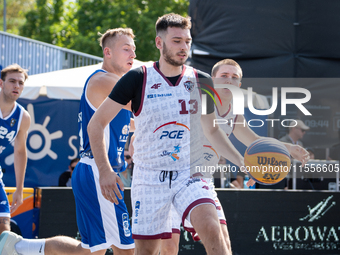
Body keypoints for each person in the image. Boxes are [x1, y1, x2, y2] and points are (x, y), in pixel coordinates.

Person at [87, 13, 250, 255]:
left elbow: (212, 130)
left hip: (190, 172)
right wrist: (105, 171)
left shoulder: (201, 81)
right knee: (148, 251)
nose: (184, 47)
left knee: (211, 227)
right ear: (159, 43)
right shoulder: (137, 78)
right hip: (149, 176)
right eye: (177, 41)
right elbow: (96, 124)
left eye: (187, 41)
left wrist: (241, 161)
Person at [0, 28, 136, 255]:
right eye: (126, 49)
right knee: (126, 249)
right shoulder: (106, 80)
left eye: (134, 49)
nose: (132, 54)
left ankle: (22, 246)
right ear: (108, 52)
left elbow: (131, 122)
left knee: (90, 251)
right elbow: (145, 105)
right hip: (96, 170)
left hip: (92, 170)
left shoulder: (113, 91)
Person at [160, 58, 310, 254]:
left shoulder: (235, 112)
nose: (228, 80)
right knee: (169, 247)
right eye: (224, 76)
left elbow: (254, 139)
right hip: (173, 175)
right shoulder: (199, 98)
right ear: (212, 79)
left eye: (234, 77)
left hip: (201, 180)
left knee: (224, 246)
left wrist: (288, 147)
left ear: (239, 85)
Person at [0, 64, 31, 235]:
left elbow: (20, 152)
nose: (16, 86)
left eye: (20, 83)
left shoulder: (23, 117)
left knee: (5, 232)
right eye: (12, 81)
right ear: (1, 83)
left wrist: (19, 189)